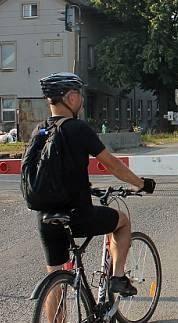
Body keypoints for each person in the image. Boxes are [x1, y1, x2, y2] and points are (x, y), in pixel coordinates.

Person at [34, 72, 156, 298]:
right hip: (78, 215)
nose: (81, 100)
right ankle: (118, 277)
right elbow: (112, 164)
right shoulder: (77, 128)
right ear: (70, 98)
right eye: (79, 94)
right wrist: (141, 183)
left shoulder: (39, 131)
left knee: (54, 278)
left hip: (45, 216)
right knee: (122, 222)